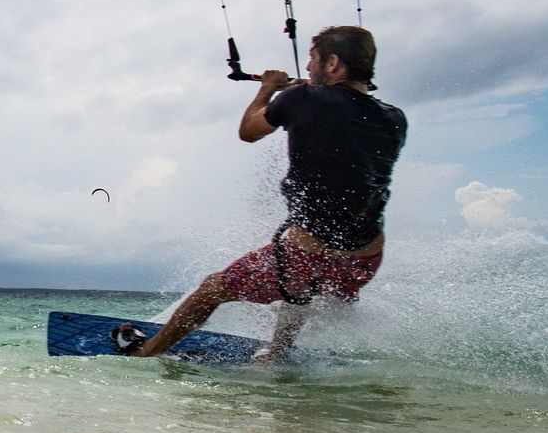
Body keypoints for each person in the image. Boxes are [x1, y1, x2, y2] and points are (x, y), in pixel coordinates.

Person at [122, 25, 408, 361]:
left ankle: (147, 352)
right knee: (298, 291)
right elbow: (344, 122)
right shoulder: (394, 118)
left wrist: (269, 90)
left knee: (211, 290)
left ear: (333, 63)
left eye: (312, 60)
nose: (308, 68)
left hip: (309, 255)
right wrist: (309, 93)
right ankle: (276, 354)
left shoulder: (303, 98)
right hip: (363, 261)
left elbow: (249, 131)